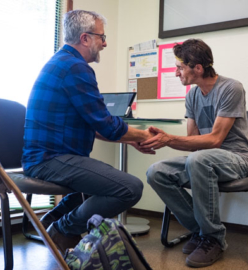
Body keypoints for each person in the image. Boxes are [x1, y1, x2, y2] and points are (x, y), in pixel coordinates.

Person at [22, 10, 154, 256]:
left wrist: (134, 138)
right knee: (130, 187)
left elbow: (94, 126)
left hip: (46, 157)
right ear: (85, 38)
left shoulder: (61, 63)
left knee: (106, 182)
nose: (104, 43)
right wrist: (146, 135)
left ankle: (55, 218)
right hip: (49, 160)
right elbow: (106, 125)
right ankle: (62, 228)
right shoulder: (76, 68)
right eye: (101, 37)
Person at [141, 39, 248, 268]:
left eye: (180, 68)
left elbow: (215, 140)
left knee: (198, 159)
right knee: (156, 172)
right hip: (203, 159)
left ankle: (214, 239)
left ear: (198, 68)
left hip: (237, 158)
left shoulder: (231, 88)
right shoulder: (192, 96)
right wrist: (162, 139)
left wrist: (169, 139)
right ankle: (201, 231)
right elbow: (193, 142)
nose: (176, 73)